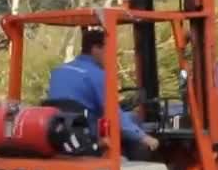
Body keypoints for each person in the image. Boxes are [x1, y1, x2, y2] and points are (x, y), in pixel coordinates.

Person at [46, 28, 160, 160]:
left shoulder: (58, 71)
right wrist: (144, 137)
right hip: (88, 138)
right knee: (132, 120)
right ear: (96, 49)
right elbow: (116, 115)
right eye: (109, 51)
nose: (111, 56)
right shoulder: (98, 75)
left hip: (60, 135)